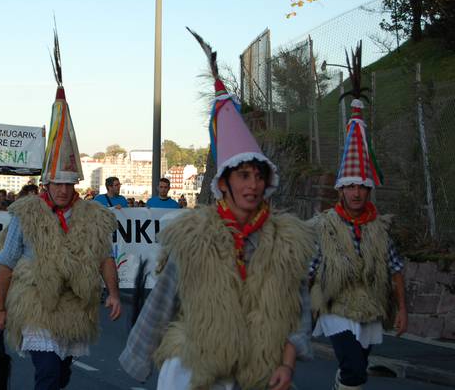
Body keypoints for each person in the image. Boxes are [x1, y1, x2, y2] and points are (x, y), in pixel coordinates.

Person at [120, 33, 314, 390]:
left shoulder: (287, 242)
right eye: (243, 176)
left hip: (257, 371)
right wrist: (139, 358)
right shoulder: (195, 237)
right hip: (196, 369)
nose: (252, 185)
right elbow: (162, 302)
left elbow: (297, 313)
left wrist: (287, 365)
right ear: (223, 182)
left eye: (258, 176)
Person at [0, 40, 121, 390]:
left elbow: (104, 257)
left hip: (74, 305)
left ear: (75, 182)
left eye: (68, 183)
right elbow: (7, 261)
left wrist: (113, 292)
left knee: (61, 374)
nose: (62, 190)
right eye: (56, 183)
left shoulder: (92, 216)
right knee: (46, 373)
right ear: (46, 182)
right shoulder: (27, 213)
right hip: (35, 302)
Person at [308, 48, 407, 390]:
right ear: (340, 190)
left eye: (361, 187)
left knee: (357, 369)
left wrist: (402, 310)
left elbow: (395, 268)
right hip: (336, 306)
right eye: (349, 186)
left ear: (368, 190)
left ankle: (344, 381)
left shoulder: (379, 228)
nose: (355, 193)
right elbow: (310, 268)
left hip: (370, 306)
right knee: (354, 369)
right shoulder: (323, 227)